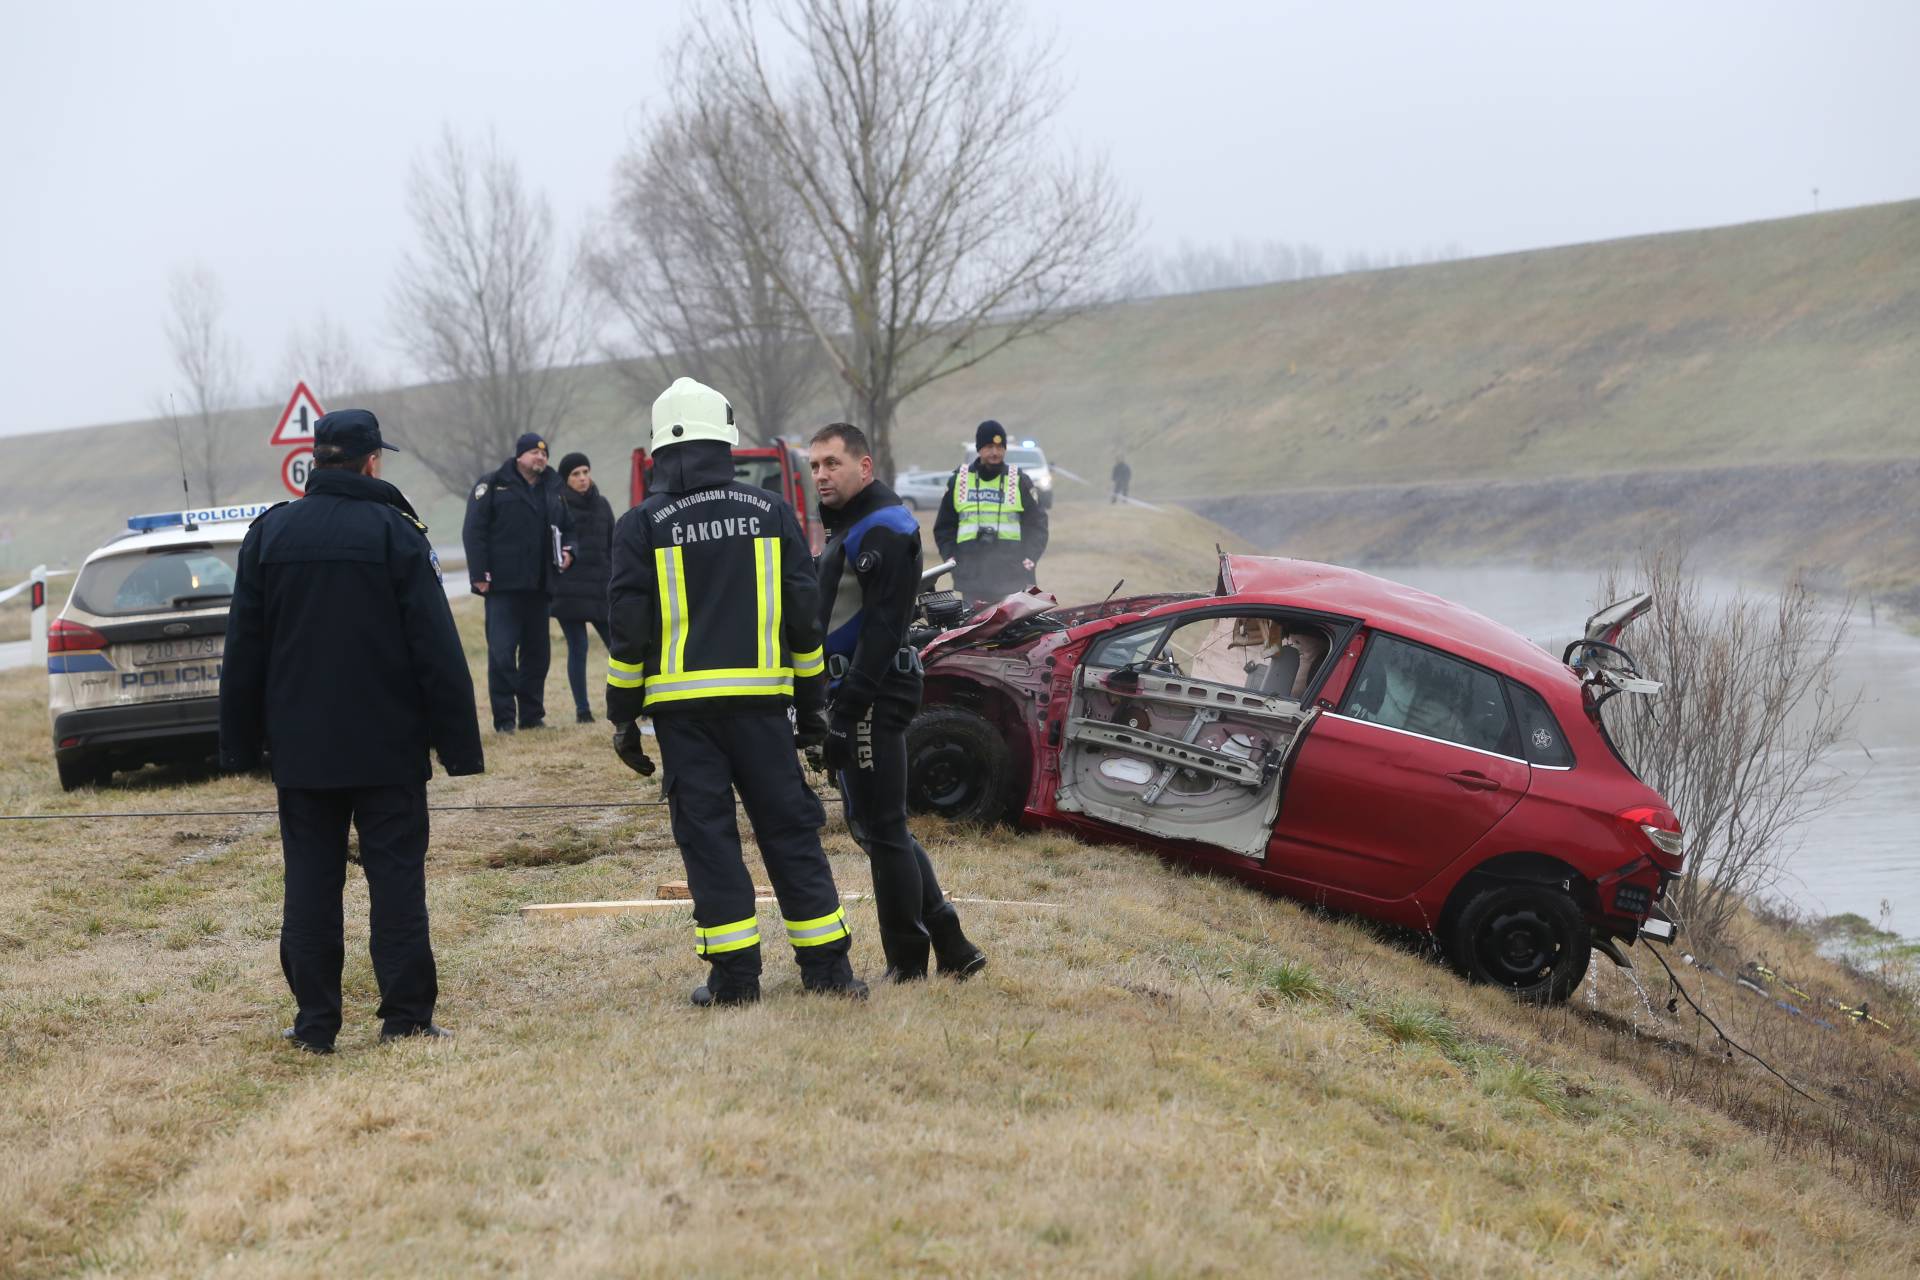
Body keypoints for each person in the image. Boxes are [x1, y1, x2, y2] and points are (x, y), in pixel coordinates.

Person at [219, 409, 484, 1054]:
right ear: (371, 461)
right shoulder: (394, 533)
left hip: (303, 752)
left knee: (309, 884)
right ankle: (406, 1018)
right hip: (387, 746)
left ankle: (315, 1024)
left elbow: (244, 649)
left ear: (317, 461)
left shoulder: (270, 534)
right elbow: (434, 646)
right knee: (396, 883)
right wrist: (458, 745)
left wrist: (239, 744)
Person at [605, 377, 866, 1007]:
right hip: (762, 712)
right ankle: (827, 972)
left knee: (710, 842)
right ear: (727, 442)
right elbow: (805, 623)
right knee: (790, 832)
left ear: (660, 449)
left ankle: (734, 980)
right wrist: (811, 710)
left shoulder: (640, 525)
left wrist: (622, 719)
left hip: (682, 719)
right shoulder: (771, 514)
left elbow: (628, 631)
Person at [808, 422, 986, 982]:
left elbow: (883, 629)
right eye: (814, 466)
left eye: (831, 464)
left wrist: (847, 709)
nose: (820, 475)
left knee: (881, 830)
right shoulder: (852, 526)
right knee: (879, 827)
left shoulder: (883, 528)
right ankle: (952, 943)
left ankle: (907, 964)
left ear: (864, 467)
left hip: (872, 692)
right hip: (854, 690)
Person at [462, 432, 575, 733]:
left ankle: (532, 716)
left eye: (545, 454)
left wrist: (569, 552)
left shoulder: (554, 488)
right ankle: (503, 721)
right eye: (535, 453)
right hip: (503, 587)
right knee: (501, 654)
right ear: (520, 456)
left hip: (540, 586)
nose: (541, 458)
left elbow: (568, 529)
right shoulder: (493, 484)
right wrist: (478, 574)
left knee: (537, 655)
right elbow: (474, 531)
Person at [934, 419, 1050, 607]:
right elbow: (944, 527)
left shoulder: (1020, 481)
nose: (995, 452)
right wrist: (952, 559)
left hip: (1012, 577)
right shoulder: (959, 481)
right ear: (979, 449)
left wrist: (1029, 557)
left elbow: (1037, 525)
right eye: (989, 446)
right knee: (974, 634)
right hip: (971, 578)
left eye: (999, 446)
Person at [550, 451, 614, 724]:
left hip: (601, 590)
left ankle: (634, 702)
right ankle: (583, 710)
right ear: (566, 479)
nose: (583, 478)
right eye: (576, 474)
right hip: (569, 592)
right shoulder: (557, 506)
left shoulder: (603, 505)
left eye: (585, 472)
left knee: (620, 648)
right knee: (579, 648)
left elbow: (614, 545)